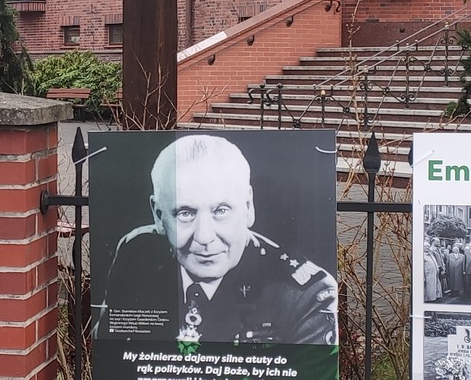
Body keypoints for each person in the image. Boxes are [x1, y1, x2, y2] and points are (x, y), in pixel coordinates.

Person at [91, 134, 336, 347]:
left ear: (248, 207)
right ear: (158, 215)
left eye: (221, 211)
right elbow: (113, 352)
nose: (204, 236)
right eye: (185, 213)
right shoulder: (136, 252)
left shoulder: (304, 295)